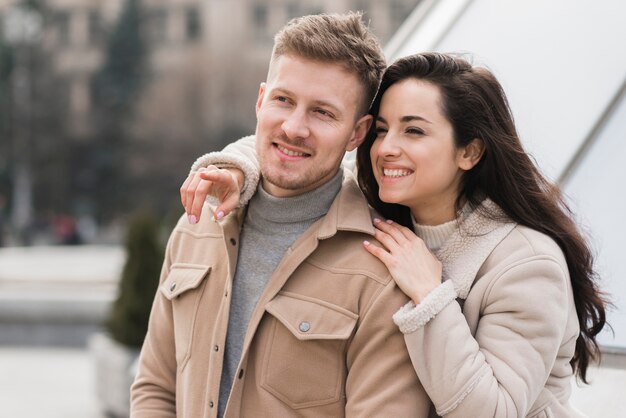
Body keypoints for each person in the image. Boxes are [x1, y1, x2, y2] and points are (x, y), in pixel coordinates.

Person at [181, 53, 608, 417]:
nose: (386, 148)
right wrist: (238, 169)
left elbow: (491, 410)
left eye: (414, 130)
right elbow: (297, 156)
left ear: (470, 151)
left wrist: (431, 295)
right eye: (382, 129)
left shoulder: (526, 263)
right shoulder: (382, 207)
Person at [131, 12, 429, 418]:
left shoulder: (382, 267)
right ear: (260, 101)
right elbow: (154, 387)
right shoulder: (197, 226)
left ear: (357, 133)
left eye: (322, 112)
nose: (294, 127)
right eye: (283, 100)